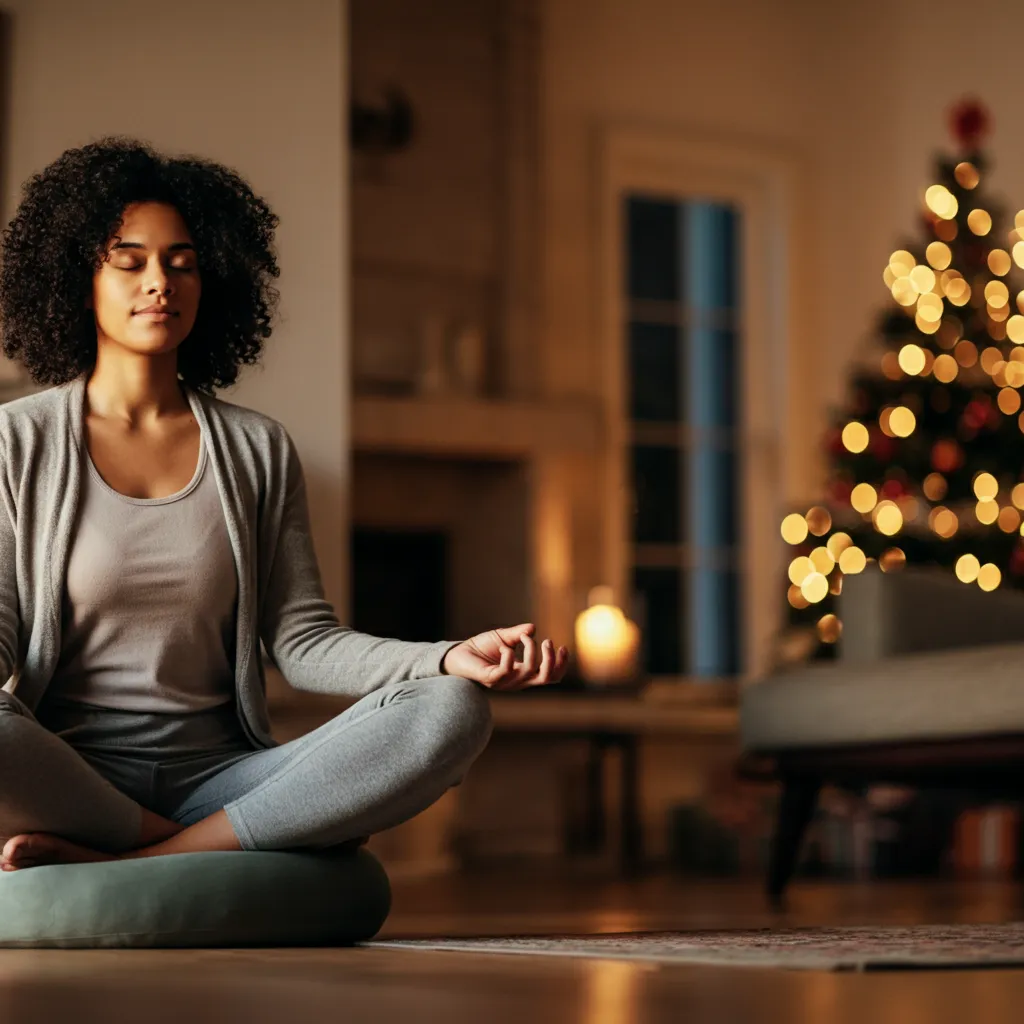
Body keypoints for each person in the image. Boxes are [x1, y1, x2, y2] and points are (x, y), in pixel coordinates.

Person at [0, 137, 568, 872]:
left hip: (224, 782)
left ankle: (143, 856)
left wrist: (449, 656)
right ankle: (201, 844)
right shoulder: (17, 442)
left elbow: (303, 644)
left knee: (451, 706)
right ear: (80, 281)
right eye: (129, 260)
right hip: (72, 780)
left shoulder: (257, 448)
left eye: (183, 263)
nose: (160, 283)